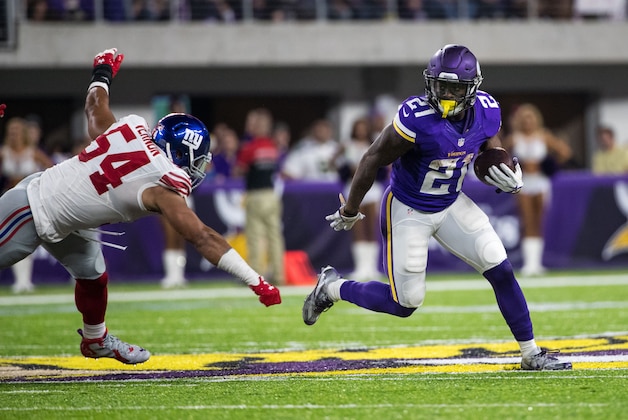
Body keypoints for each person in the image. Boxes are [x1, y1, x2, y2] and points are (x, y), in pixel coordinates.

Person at [0, 48, 281, 365]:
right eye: (199, 158)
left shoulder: (131, 129)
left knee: (93, 277)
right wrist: (255, 280)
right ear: (182, 153)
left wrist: (102, 71)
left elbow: (95, 108)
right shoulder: (162, 184)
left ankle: (95, 340)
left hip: (67, 214)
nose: (200, 167)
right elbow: (201, 236)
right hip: (32, 207)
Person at [302, 44, 572, 371]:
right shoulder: (416, 118)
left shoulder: (487, 110)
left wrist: (502, 169)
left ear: (471, 88)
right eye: (441, 85)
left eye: (455, 88)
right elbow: (372, 157)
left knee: (500, 268)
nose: (445, 93)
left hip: (451, 202)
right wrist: (351, 209)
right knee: (405, 303)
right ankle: (332, 288)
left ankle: (531, 353)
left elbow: (488, 148)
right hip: (408, 208)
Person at [502, 103, 572, 277]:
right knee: (527, 221)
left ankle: (537, 263)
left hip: (541, 182)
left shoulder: (544, 136)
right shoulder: (514, 138)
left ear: (536, 120)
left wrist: (549, 165)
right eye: (524, 119)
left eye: (531, 118)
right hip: (523, 182)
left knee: (539, 220)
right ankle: (528, 263)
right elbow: (500, 155)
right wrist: (515, 167)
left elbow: (565, 152)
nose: (528, 122)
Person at [1, 116, 54, 293]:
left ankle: (26, 281)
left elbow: (52, 169)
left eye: (16, 131)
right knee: (12, 238)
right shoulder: (3, 152)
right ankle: (19, 281)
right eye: (11, 131)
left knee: (28, 237)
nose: (13, 134)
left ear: (23, 133)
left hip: (30, 199)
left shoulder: (33, 152)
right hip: (8, 199)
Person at [234, 107, 286, 285]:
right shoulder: (272, 145)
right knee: (275, 236)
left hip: (256, 194)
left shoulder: (250, 147)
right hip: (272, 195)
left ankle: (256, 276)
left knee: (255, 236)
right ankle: (279, 275)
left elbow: (238, 170)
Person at [336, 117, 384, 281]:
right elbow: (335, 164)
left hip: (372, 189)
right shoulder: (346, 145)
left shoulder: (375, 142)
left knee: (372, 227)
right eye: (358, 128)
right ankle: (361, 267)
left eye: (364, 128)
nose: (361, 131)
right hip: (352, 187)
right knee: (357, 227)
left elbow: (382, 164)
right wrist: (345, 166)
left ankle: (371, 268)